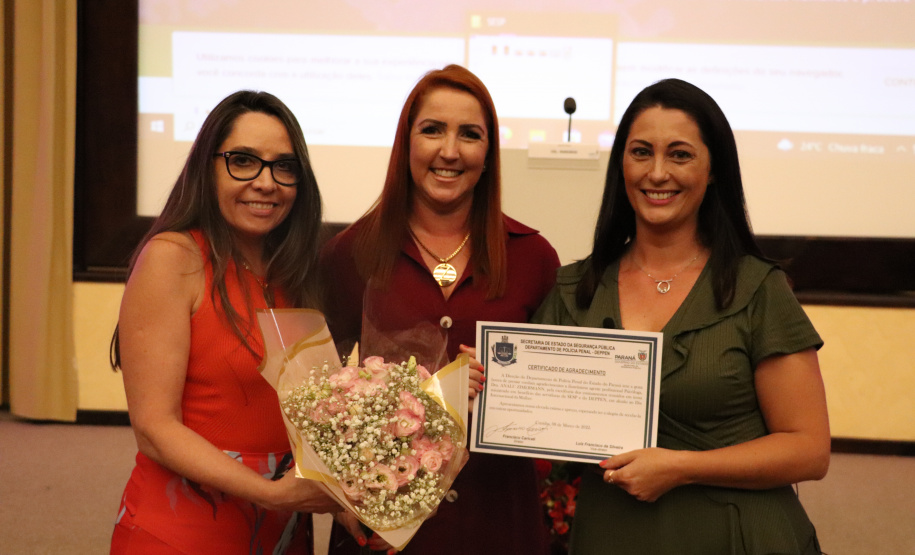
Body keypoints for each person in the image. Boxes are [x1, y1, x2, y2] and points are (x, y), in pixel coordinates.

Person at [532, 78, 830, 554]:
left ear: (713, 170)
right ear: (621, 165)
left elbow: (809, 449)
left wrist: (681, 466)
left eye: (680, 154)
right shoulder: (574, 291)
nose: (656, 172)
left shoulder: (758, 289)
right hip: (611, 532)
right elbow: (538, 419)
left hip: (738, 535)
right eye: (641, 152)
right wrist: (488, 382)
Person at [320, 65, 559, 554]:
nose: (450, 151)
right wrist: (337, 496)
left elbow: (552, 394)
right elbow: (317, 395)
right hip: (387, 532)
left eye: (469, 135)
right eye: (432, 130)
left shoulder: (534, 258)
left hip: (497, 524)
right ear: (406, 143)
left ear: (489, 154)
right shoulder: (349, 254)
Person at [109, 90, 340, 554]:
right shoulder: (173, 259)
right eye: (243, 161)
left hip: (284, 525)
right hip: (186, 526)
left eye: (284, 166)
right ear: (207, 167)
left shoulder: (295, 272)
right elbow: (155, 428)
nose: (265, 182)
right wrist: (273, 494)